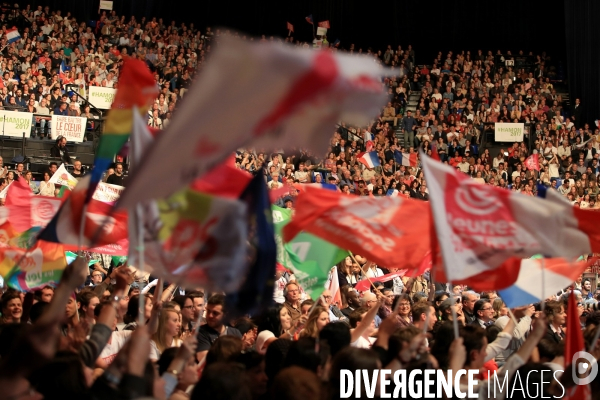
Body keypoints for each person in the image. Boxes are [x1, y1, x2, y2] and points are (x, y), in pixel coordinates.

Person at [196, 294, 242, 361]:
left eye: (215, 313)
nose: (210, 315)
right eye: (208, 311)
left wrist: (244, 346)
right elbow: (203, 359)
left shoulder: (235, 332)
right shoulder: (200, 332)